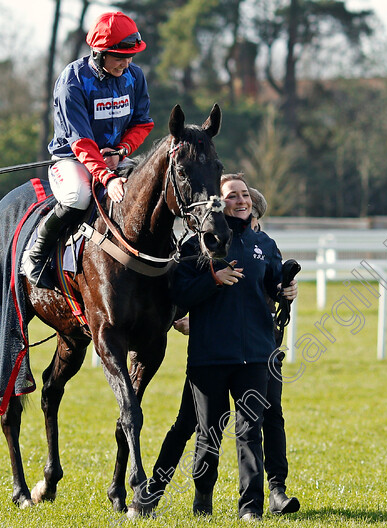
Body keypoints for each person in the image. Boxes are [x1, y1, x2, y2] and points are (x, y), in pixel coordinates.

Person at [147, 183, 301, 516]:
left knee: (249, 432)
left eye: (244, 195)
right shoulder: (195, 246)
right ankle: (202, 497)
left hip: (257, 355)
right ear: (217, 204)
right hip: (209, 356)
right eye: (232, 196)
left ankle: (251, 509)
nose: (241, 200)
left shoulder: (264, 243)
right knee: (208, 435)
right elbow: (180, 295)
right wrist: (213, 279)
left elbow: (273, 286)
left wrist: (286, 288)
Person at [22, 11, 154, 287]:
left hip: (116, 157)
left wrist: (120, 151)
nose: (126, 63)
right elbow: (80, 141)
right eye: (119, 56)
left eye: (130, 56)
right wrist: (107, 176)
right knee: (79, 196)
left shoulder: (135, 76)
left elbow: (143, 123)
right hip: (73, 159)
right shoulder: (73, 81)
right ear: (98, 53)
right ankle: (35, 255)